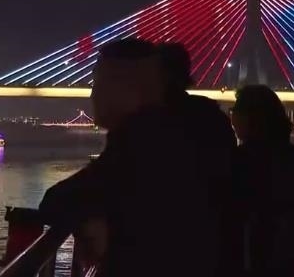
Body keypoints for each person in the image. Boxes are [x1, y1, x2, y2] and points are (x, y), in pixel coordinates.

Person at [38, 39, 234, 277]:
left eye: (98, 83)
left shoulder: (143, 137)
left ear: (126, 87)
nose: (92, 94)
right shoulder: (204, 120)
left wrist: (92, 219)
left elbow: (58, 201)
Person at [229, 85, 294, 277]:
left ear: (251, 118)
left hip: (259, 262)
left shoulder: (240, 161)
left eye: (234, 111)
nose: (232, 118)